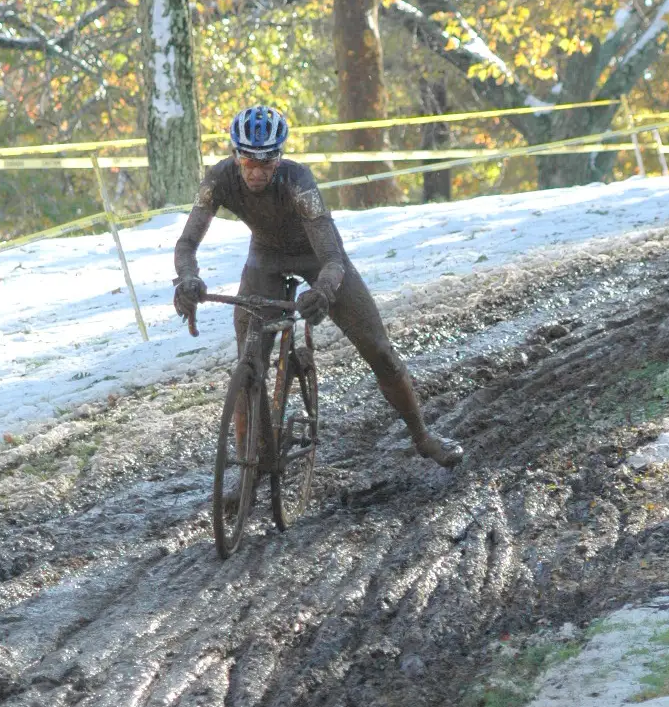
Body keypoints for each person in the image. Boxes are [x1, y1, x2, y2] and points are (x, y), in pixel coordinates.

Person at [173, 104, 463, 468]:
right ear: (235, 155)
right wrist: (187, 278)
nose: (257, 173)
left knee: (380, 351)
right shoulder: (218, 179)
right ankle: (247, 470)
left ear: (279, 159)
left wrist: (323, 291)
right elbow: (186, 244)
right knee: (249, 371)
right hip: (265, 261)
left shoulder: (299, 182)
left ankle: (423, 436)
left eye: (266, 164)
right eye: (248, 163)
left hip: (319, 260)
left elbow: (332, 259)